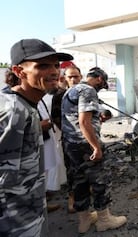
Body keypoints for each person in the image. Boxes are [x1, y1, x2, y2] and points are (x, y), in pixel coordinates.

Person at [0, 38, 73, 237]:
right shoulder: (12, 109)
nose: (54, 71)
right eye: (42, 65)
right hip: (14, 224)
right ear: (19, 71)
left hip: (30, 216)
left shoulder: (27, 105)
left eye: (56, 65)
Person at [61, 67, 127, 233]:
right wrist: (96, 147)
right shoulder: (88, 90)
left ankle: (84, 221)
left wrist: (98, 119)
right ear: (99, 79)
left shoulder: (70, 91)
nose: (101, 87)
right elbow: (84, 123)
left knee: (79, 182)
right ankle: (104, 220)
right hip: (86, 146)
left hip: (71, 145)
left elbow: (75, 120)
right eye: (102, 84)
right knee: (99, 182)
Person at [51, 63, 82, 214]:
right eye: (70, 77)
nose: (74, 79)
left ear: (81, 77)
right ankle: (72, 199)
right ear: (65, 78)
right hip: (70, 141)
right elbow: (56, 118)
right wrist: (71, 132)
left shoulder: (84, 93)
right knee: (72, 170)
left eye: (76, 76)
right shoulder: (60, 95)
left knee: (88, 169)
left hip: (87, 140)